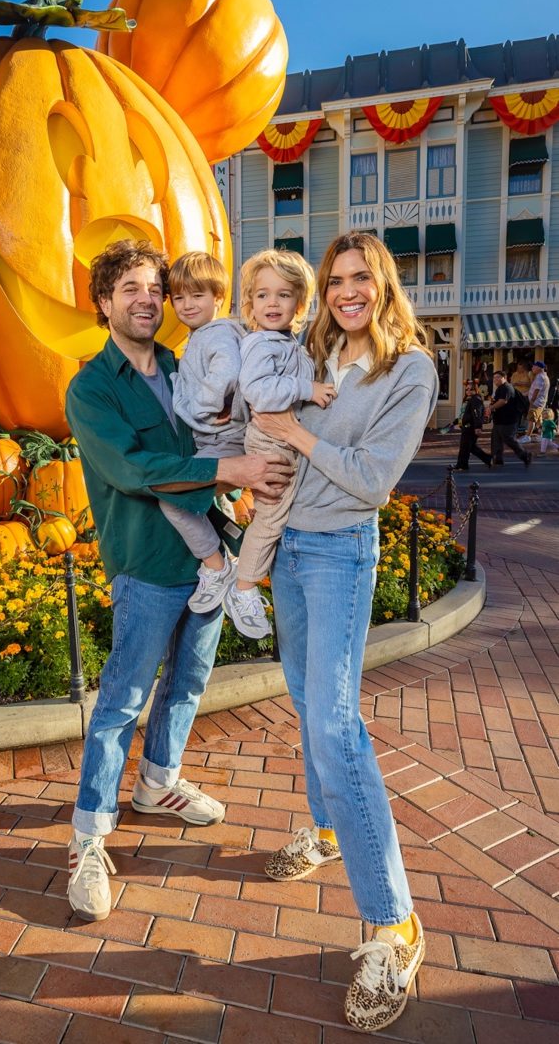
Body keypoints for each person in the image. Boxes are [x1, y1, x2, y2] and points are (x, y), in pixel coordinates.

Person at [64, 239, 292, 923]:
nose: (147, 300)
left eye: (154, 289)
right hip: (147, 563)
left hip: (208, 556)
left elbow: (232, 420)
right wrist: (228, 471)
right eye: (130, 288)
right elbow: (131, 468)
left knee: (190, 682)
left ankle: (158, 782)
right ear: (104, 301)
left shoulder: (183, 360)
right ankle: (88, 836)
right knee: (122, 699)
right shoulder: (92, 387)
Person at [252, 231, 438, 1033]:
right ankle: (328, 830)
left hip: (339, 553)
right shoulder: (314, 354)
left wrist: (295, 434)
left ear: (384, 283)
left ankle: (395, 924)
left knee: (335, 724)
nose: (346, 291)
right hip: (289, 547)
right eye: (335, 280)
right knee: (305, 700)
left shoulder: (411, 370)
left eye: (361, 277)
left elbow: (371, 480)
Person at [222, 249, 336, 638]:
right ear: (250, 303)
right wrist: (308, 389)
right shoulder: (261, 344)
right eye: (263, 294)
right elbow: (260, 392)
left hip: (284, 436)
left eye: (283, 294)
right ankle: (243, 588)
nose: (272, 303)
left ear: (299, 303)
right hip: (270, 438)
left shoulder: (287, 343)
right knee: (271, 515)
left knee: (280, 510)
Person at [157, 252, 247, 615]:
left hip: (224, 442)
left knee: (173, 499)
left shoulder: (217, 334)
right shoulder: (201, 337)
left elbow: (227, 370)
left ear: (218, 297)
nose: (187, 304)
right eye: (179, 297)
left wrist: (200, 406)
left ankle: (217, 565)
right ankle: (232, 552)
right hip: (217, 441)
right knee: (207, 503)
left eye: (198, 295)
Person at [488, 369, 531, 468]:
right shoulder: (500, 388)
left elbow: (503, 401)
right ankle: (497, 459)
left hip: (508, 420)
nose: (495, 379)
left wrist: (491, 407)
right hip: (499, 419)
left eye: (498, 377)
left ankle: (525, 455)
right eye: (494, 378)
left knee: (509, 439)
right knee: (496, 439)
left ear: (504, 378)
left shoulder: (506, 387)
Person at [453, 381, 491, 471]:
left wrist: (478, 427)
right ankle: (488, 459)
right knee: (471, 447)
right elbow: (465, 413)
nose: (468, 391)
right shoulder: (469, 399)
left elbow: (476, 413)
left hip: (471, 427)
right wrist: (458, 421)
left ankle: (462, 465)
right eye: (467, 389)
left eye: (471, 389)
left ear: (476, 390)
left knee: (465, 446)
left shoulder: (475, 399)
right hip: (467, 426)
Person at [526, 360, 550, 439]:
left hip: (536, 402)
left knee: (531, 419)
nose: (532, 368)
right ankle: (541, 436)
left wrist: (532, 401)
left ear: (539, 368)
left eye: (534, 366)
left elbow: (537, 390)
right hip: (540, 402)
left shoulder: (540, 377)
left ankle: (527, 436)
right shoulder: (544, 376)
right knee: (539, 420)